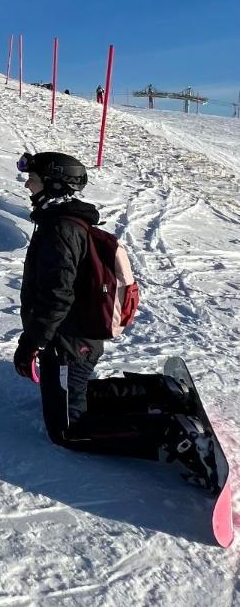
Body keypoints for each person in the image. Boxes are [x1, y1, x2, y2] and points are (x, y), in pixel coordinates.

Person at [11, 152, 211, 472]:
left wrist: (32, 342)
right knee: (75, 396)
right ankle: (157, 392)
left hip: (70, 341)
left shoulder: (60, 228)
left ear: (54, 183)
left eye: (32, 178)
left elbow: (56, 295)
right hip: (73, 338)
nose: (26, 183)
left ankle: (170, 433)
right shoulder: (61, 222)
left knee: (68, 431)